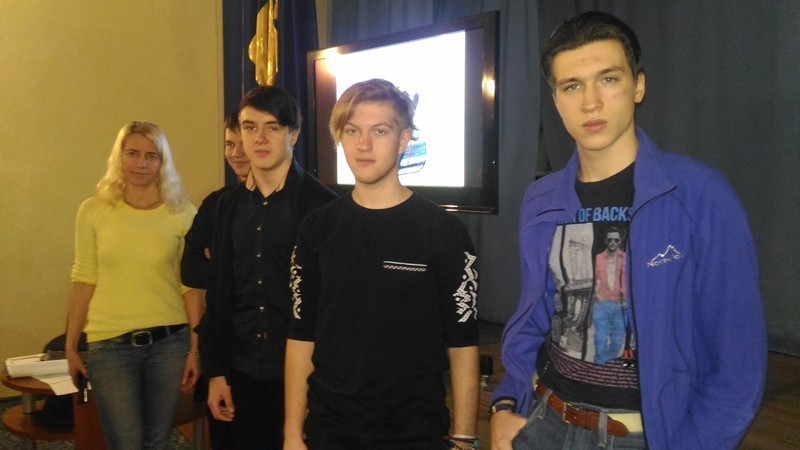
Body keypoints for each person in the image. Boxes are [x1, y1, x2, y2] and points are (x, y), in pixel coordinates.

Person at [489, 11, 766, 450]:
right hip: (543, 421)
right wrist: (506, 403)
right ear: (556, 99)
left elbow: (737, 361)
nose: (591, 103)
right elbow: (533, 318)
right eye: (572, 86)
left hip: (644, 436)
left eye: (608, 79)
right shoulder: (540, 200)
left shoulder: (699, 196)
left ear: (638, 85)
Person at [284, 78, 480, 450]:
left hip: (416, 431)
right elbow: (300, 335)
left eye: (380, 131)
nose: (364, 144)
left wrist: (464, 438)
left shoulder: (444, 232)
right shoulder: (316, 228)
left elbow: (463, 344)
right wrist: (292, 433)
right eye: (352, 131)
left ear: (403, 140)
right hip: (330, 427)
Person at [201, 86, 337, 449]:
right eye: (250, 127)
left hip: (307, 377)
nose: (259, 138)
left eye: (272, 127)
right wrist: (215, 372)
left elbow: (335, 307)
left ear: (293, 134)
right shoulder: (226, 206)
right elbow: (219, 293)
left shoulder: (324, 207)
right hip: (241, 372)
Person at [65, 121, 200, 449]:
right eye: (133, 153)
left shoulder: (182, 213)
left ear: (163, 162)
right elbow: (83, 278)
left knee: (157, 440)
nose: (141, 163)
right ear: (119, 157)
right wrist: (70, 345)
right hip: (110, 346)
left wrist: (196, 349)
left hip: (169, 344)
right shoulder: (93, 211)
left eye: (152, 156)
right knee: (126, 442)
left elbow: (191, 286)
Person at [181, 111, 248, 449]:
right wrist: (236, 268)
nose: (236, 153)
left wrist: (221, 263)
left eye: (242, 143)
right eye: (229, 144)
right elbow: (190, 269)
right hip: (222, 344)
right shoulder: (216, 204)